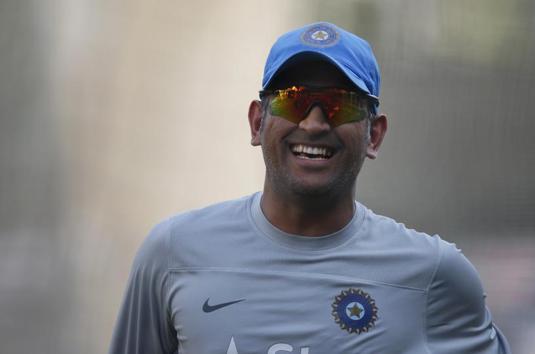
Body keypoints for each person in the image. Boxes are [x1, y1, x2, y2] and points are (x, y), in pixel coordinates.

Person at [109, 22, 511, 354]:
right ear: (256, 123)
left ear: (375, 135)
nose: (315, 124)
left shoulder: (434, 274)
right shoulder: (173, 253)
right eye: (292, 100)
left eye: (341, 105)